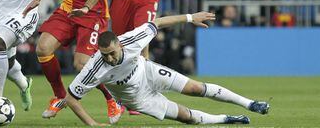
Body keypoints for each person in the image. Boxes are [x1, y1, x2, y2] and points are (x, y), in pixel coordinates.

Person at [65, 12, 270, 126]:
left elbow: (158, 22)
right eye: (104, 54)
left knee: (196, 88)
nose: (109, 58)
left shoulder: (132, 40)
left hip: (148, 73)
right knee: (186, 118)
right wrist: (92, 124)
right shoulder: (94, 67)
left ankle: (250, 104)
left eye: (112, 52)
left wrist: (190, 18)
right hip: (137, 99)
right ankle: (226, 119)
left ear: (119, 44)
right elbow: (71, 97)